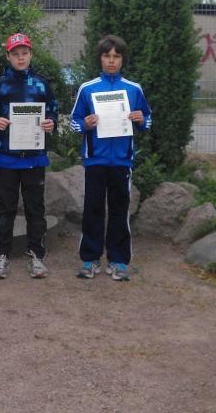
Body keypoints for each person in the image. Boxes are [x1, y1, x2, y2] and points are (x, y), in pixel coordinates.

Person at [70, 35, 151, 282]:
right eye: (107, 56)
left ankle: (118, 261)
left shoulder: (133, 89)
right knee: (92, 209)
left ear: (123, 59)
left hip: (122, 161)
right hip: (95, 159)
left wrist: (141, 120)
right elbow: (73, 122)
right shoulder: (88, 88)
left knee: (120, 210)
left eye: (116, 56)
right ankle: (90, 259)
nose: (111, 61)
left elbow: (147, 119)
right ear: (100, 59)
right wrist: (85, 124)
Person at [0, 33, 58, 279]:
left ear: (31, 54)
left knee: (35, 209)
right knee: (5, 209)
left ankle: (37, 255)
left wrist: (51, 123)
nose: (20, 57)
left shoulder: (42, 84)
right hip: (8, 158)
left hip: (35, 158)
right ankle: (1, 256)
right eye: (15, 54)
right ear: (8, 56)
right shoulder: (1, 85)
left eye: (24, 53)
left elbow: (53, 112)